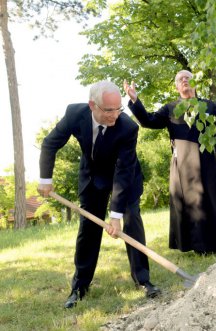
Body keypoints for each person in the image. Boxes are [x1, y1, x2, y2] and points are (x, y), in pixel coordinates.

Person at [38, 81, 160, 309]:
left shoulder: (127, 128)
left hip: (125, 175)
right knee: (89, 228)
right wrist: (46, 180)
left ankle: (143, 280)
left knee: (131, 219)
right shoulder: (75, 114)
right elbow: (50, 143)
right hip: (93, 176)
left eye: (118, 109)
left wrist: (115, 215)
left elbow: (123, 172)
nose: (115, 115)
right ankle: (79, 287)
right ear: (92, 105)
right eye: (108, 110)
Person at [124, 71, 216, 254]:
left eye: (188, 78)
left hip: (209, 161)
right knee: (192, 204)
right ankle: (198, 246)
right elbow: (148, 121)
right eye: (180, 79)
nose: (184, 80)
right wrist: (135, 101)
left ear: (195, 83)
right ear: (177, 87)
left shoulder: (208, 105)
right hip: (183, 165)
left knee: (214, 200)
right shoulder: (170, 108)